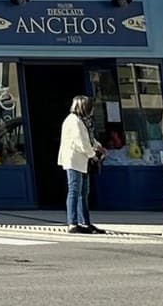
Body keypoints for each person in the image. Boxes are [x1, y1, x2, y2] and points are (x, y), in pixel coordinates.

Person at [58, 95, 104, 234]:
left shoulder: (82, 121)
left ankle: (85, 222)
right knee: (74, 190)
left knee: (83, 192)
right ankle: (72, 223)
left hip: (81, 161)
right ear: (84, 107)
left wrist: (97, 146)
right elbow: (81, 143)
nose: (92, 110)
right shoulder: (74, 121)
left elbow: (88, 138)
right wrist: (93, 155)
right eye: (90, 108)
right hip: (74, 160)